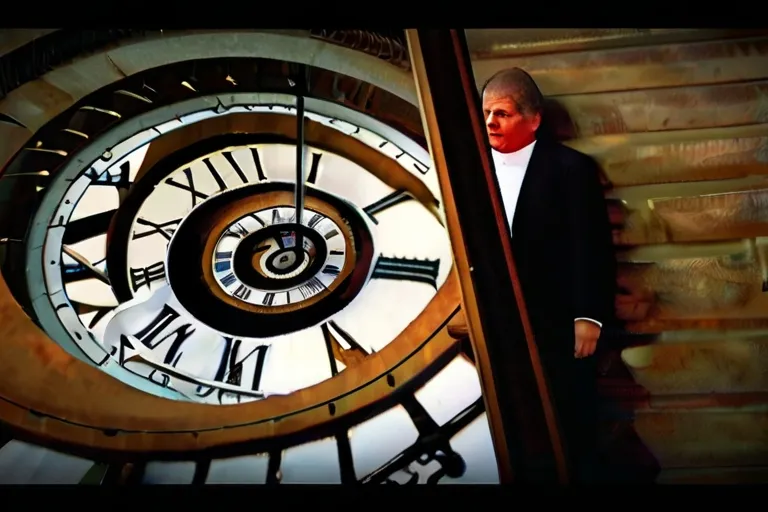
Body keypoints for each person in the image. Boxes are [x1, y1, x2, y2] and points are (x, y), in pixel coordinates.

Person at [480, 67, 617, 483]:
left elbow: (590, 245)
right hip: (495, 330)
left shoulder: (569, 168)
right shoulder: (470, 172)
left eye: (501, 113)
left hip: (558, 326)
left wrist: (588, 316)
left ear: (533, 119)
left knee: (572, 426)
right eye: (486, 113)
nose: (490, 123)